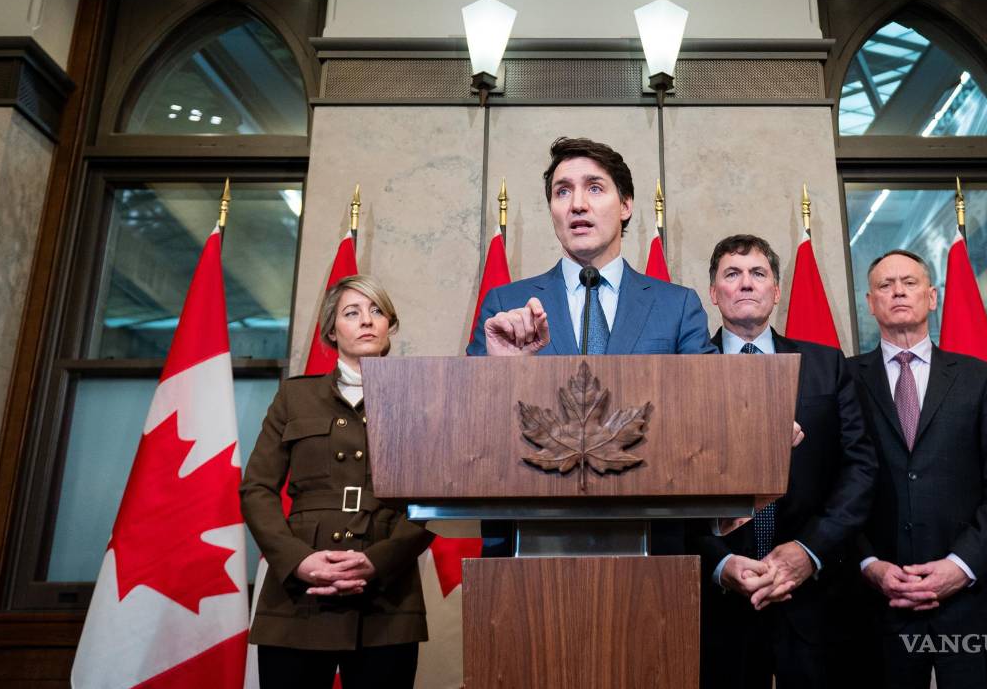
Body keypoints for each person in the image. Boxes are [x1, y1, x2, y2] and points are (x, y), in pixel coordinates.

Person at [689, 234, 877, 689]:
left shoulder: (826, 365)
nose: (746, 284)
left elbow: (860, 468)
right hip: (719, 599)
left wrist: (808, 551)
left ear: (777, 291)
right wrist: (718, 563)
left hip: (815, 594)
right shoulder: (685, 371)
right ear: (714, 294)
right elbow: (664, 485)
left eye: (759, 274)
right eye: (731, 274)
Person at [240, 275, 435, 689]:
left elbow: (434, 500)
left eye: (376, 311)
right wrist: (297, 561)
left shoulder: (419, 397)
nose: (366, 321)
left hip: (386, 597)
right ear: (332, 330)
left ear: (389, 325)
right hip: (296, 596)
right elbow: (257, 489)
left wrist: (378, 561)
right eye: (352, 313)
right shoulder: (295, 398)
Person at [849, 249, 987, 689]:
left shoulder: (980, 379)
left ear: (932, 297)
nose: (898, 292)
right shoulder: (844, 381)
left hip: (971, 603)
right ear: (870, 303)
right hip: (876, 607)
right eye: (885, 285)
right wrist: (869, 564)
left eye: (909, 283)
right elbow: (833, 488)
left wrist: (960, 565)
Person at [466, 136, 716, 358]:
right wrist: (500, 370)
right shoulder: (504, 303)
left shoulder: (678, 306)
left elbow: (706, 398)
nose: (577, 205)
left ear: (625, 205)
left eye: (595, 188)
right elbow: (469, 403)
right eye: (562, 192)